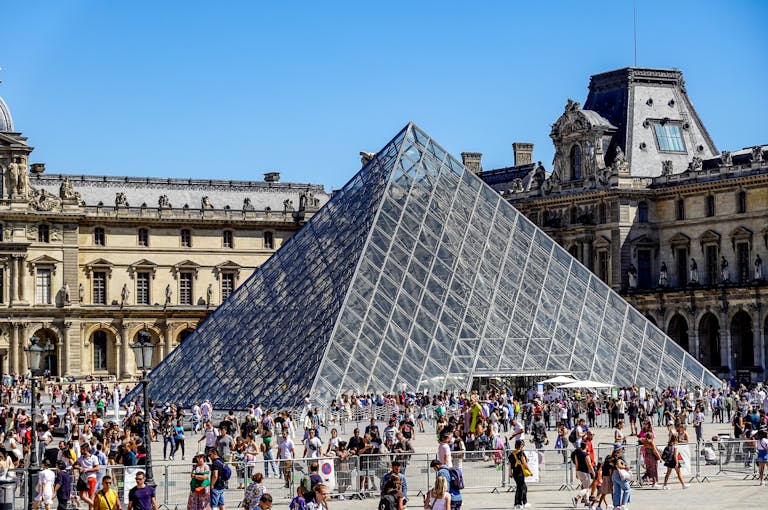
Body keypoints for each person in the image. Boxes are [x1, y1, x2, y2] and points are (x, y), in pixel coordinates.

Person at [571, 441, 594, 507]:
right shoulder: (586, 455)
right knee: (587, 488)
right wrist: (593, 472)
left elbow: (577, 464)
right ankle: (576, 498)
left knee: (585, 486)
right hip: (585, 472)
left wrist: (576, 473)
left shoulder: (577, 454)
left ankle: (587, 501)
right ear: (586, 446)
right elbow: (589, 465)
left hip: (579, 471)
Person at [508, 439, 529, 509]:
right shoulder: (521, 453)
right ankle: (517, 503)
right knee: (520, 488)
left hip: (515, 473)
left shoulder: (512, 453)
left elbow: (510, 464)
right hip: (520, 472)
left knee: (523, 487)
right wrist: (529, 471)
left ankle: (524, 502)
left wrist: (510, 472)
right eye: (522, 444)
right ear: (520, 445)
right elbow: (524, 463)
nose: (523, 445)